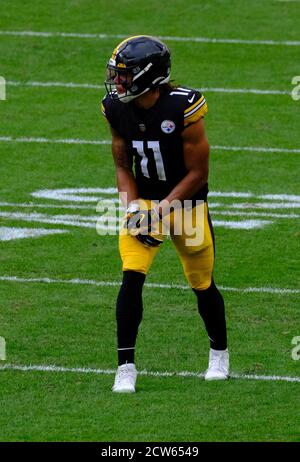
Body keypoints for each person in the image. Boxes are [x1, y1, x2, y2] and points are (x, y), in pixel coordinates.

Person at [101, 35, 229, 393]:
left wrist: (161, 211)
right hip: (144, 201)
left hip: (186, 204)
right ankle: (125, 366)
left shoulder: (182, 107)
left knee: (201, 283)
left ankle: (219, 354)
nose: (117, 82)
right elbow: (122, 166)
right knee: (131, 276)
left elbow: (198, 174)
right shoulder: (116, 108)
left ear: (148, 75)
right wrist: (131, 209)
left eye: (124, 75)